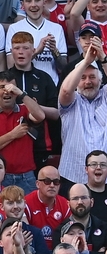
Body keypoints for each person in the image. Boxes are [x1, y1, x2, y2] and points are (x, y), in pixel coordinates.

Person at [57, 29, 107, 186]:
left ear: (100, 80)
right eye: (82, 78)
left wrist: (102, 56)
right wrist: (85, 61)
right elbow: (65, 90)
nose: (87, 82)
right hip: (75, 173)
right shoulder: (71, 101)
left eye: (92, 77)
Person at [7, 31, 59, 172]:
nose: (21, 52)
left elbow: (56, 113)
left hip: (39, 143)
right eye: (17, 48)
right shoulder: (4, 78)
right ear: (11, 51)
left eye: (25, 48)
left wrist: (35, 106)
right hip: (9, 141)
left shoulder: (44, 78)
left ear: (33, 50)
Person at [0, 70, 45, 194]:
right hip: (2, 176)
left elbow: (40, 116)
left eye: (11, 88)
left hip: (27, 177)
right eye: (2, 87)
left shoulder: (24, 109)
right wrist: (13, 135)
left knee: (28, 212)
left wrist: (21, 93)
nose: (7, 91)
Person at [6, 0, 65, 85]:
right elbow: (11, 66)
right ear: (22, 4)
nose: (33, 5)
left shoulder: (57, 28)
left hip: (51, 88)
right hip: (23, 87)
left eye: (37, 0)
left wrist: (55, 51)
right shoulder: (14, 28)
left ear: (44, 2)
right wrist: (36, 51)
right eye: (29, 1)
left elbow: (64, 67)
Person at [55, 183, 107, 254]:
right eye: (75, 198)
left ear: (92, 202)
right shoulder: (60, 231)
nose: (80, 202)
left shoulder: (104, 228)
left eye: (84, 198)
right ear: (68, 204)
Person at [25, 166, 69, 250]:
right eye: (47, 181)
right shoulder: (26, 203)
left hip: (58, 250)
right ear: (37, 184)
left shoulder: (65, 205)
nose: (52, 185)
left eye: (56, 182)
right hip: (34, 250)